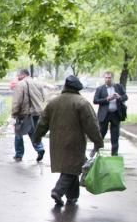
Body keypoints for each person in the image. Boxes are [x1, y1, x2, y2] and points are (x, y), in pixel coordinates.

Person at [32, 75, 103, 207]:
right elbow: (91, 125)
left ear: (65, 86)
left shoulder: (53, 102)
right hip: (75, 143)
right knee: (73, 168)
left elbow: (42, 123)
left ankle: (72, 197)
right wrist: (98, 142)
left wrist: (36, 137)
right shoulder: (82, 103)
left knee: (72, 168)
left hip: (57, 142)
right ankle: (58, 191)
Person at [10, 68, 45, 162]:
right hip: (37, 112)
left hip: (25, 113)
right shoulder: (38, 83)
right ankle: (40, 148)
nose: (18, 77)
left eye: (19, 75)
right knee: (34, 132)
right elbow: (43, 97)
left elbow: (17, 101)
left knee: (18, 134)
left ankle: (19, 154)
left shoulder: (20, 85)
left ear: (23, 75)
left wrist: (14, 113)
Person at [93, 71, 128, 156]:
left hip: (116, 114)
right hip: (104, 115)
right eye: (106, 78)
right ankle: (95, 151)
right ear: (104, 78)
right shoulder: (100, 89)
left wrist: (119, 97)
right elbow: (95, 100)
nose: (108, 79)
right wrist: (107, 99)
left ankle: (114, 153)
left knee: (115, 136)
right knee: (101, 134)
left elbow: (125, 97)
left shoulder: (119, 87)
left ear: (113, 78)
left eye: (109, 77)